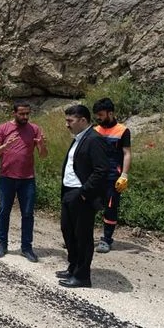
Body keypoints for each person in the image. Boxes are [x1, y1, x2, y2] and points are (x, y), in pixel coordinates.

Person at [57, 105, 109, 288]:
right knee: (68, 231)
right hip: (69, 192)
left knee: (83, 236)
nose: (67, 125)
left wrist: (85, 193)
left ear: (83, 121)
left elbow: (102, 170)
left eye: (70, 121)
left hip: (81, 195)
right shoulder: (79, 139)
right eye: (66, 120)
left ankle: (82, 277)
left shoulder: (94, 140)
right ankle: (73, 267)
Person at [0, 100, 47, 262]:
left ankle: (27, 248)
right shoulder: (3, 128)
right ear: (14, 113)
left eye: (27, 113)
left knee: (28, 214)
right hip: (7, 177)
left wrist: (42, 145)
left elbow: (43, 156)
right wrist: (5, 146)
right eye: (22, 113)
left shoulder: (34, 129)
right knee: (3, 211)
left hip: (27, 179)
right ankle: (2, 244)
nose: (25, 116)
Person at [93, 98, 131, 253]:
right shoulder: (95, 130)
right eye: (97, 115)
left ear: (111, 113)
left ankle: (106, 240)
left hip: (113, 177)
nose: (98, 118)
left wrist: (124, 175)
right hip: (96, 175)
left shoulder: (123, 131)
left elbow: (127, 153)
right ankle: (83, 237)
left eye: (101, 115)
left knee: (110, 208)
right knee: (89, 206)